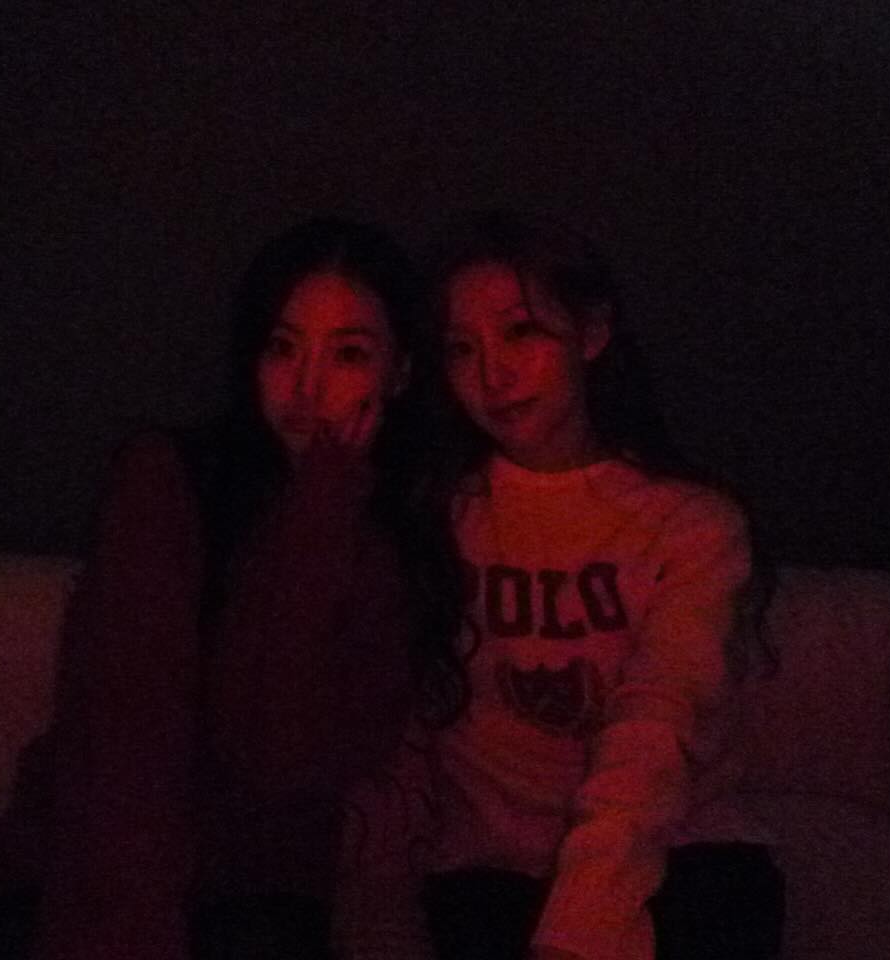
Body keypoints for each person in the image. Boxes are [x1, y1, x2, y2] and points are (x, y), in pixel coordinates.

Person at [0, 217, 462, 960]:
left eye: (349, 354)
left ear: (399, 374)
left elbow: (275, 757)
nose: (306, 388)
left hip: (260, 883)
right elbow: (128, 743)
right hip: (86, 876)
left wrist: (321, 507)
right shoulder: (166, 480)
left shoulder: (392, 542)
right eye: (282, 348)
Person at [334, 211, 783, 960]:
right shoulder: (439, 517)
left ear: (591, 332)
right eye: (462, 349)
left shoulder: (689, 524)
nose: (494, 375)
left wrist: (584, 918)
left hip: (678, 848)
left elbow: (658, 717)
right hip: (492, 869)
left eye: (521, 333)